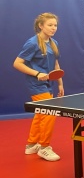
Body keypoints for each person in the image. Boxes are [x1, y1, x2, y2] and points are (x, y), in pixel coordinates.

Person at [13, 13, 64, 162]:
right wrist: (37, 73)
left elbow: (56, 65)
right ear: (41, 26)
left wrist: (60, 83)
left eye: (55, 25)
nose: (53, 28)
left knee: (41, 113)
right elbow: (17, 63)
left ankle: (31, 144)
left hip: (48, 84)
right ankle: (44, 147)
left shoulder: (54, 43)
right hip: (36, 84)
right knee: (49, 112)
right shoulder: (32, 43)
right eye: (50, 25)